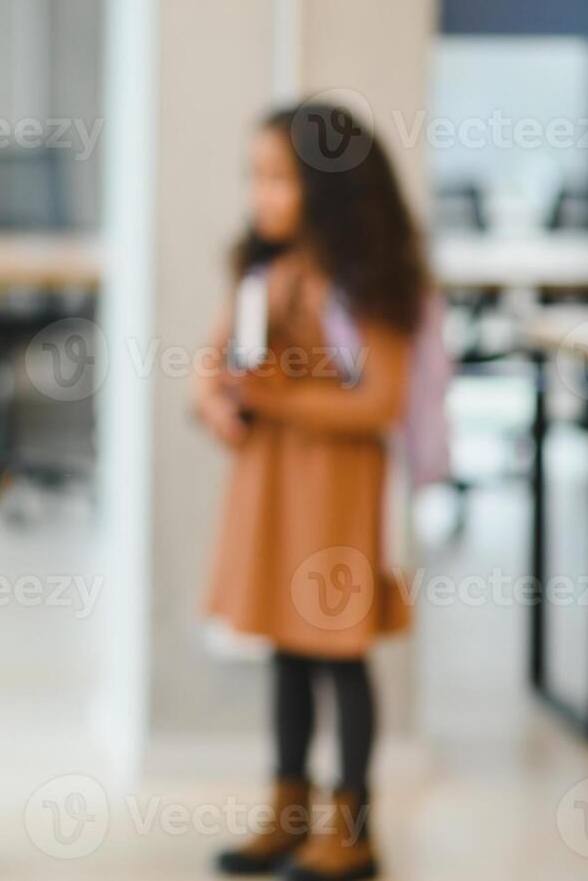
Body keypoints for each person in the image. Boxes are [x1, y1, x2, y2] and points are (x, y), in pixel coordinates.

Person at [195, 104, 429, 881]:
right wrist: (217, 398)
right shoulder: (264, 268)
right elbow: (217, 361)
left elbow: (378, 401)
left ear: (329, 189)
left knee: (337, 652)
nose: (260, 196)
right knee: (286, 654)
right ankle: (287, 815)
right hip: (271, 485)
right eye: (254, 178)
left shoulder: (370, 282)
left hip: (337, 490)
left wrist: (273, 399)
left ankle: (352, 827)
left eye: (276, 179)